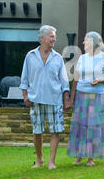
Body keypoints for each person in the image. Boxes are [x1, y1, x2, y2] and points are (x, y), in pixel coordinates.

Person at [20, 25, 71, 170]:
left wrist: (66, 99)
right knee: (37, 131)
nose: (54, 39)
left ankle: (51, 162)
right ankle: (39, 160)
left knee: (55, 131)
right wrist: (25, 96)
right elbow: (24, 79)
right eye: (51, 36)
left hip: (54, 99)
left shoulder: (58, 58)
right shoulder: (30, 56)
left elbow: (64, 81)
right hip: (35, 99)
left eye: (54, 36)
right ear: (42, 38)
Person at [67, 31, 104, 166]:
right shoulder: (82, 58)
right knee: (80, 126)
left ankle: (91, 157)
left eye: (86, 40)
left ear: (94, 42)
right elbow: (76, 79)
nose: (83, 43)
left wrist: (101, 80)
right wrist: (71, 98)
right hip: (81, 96)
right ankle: (79, 156)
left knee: (93, 126)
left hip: (97, 96)